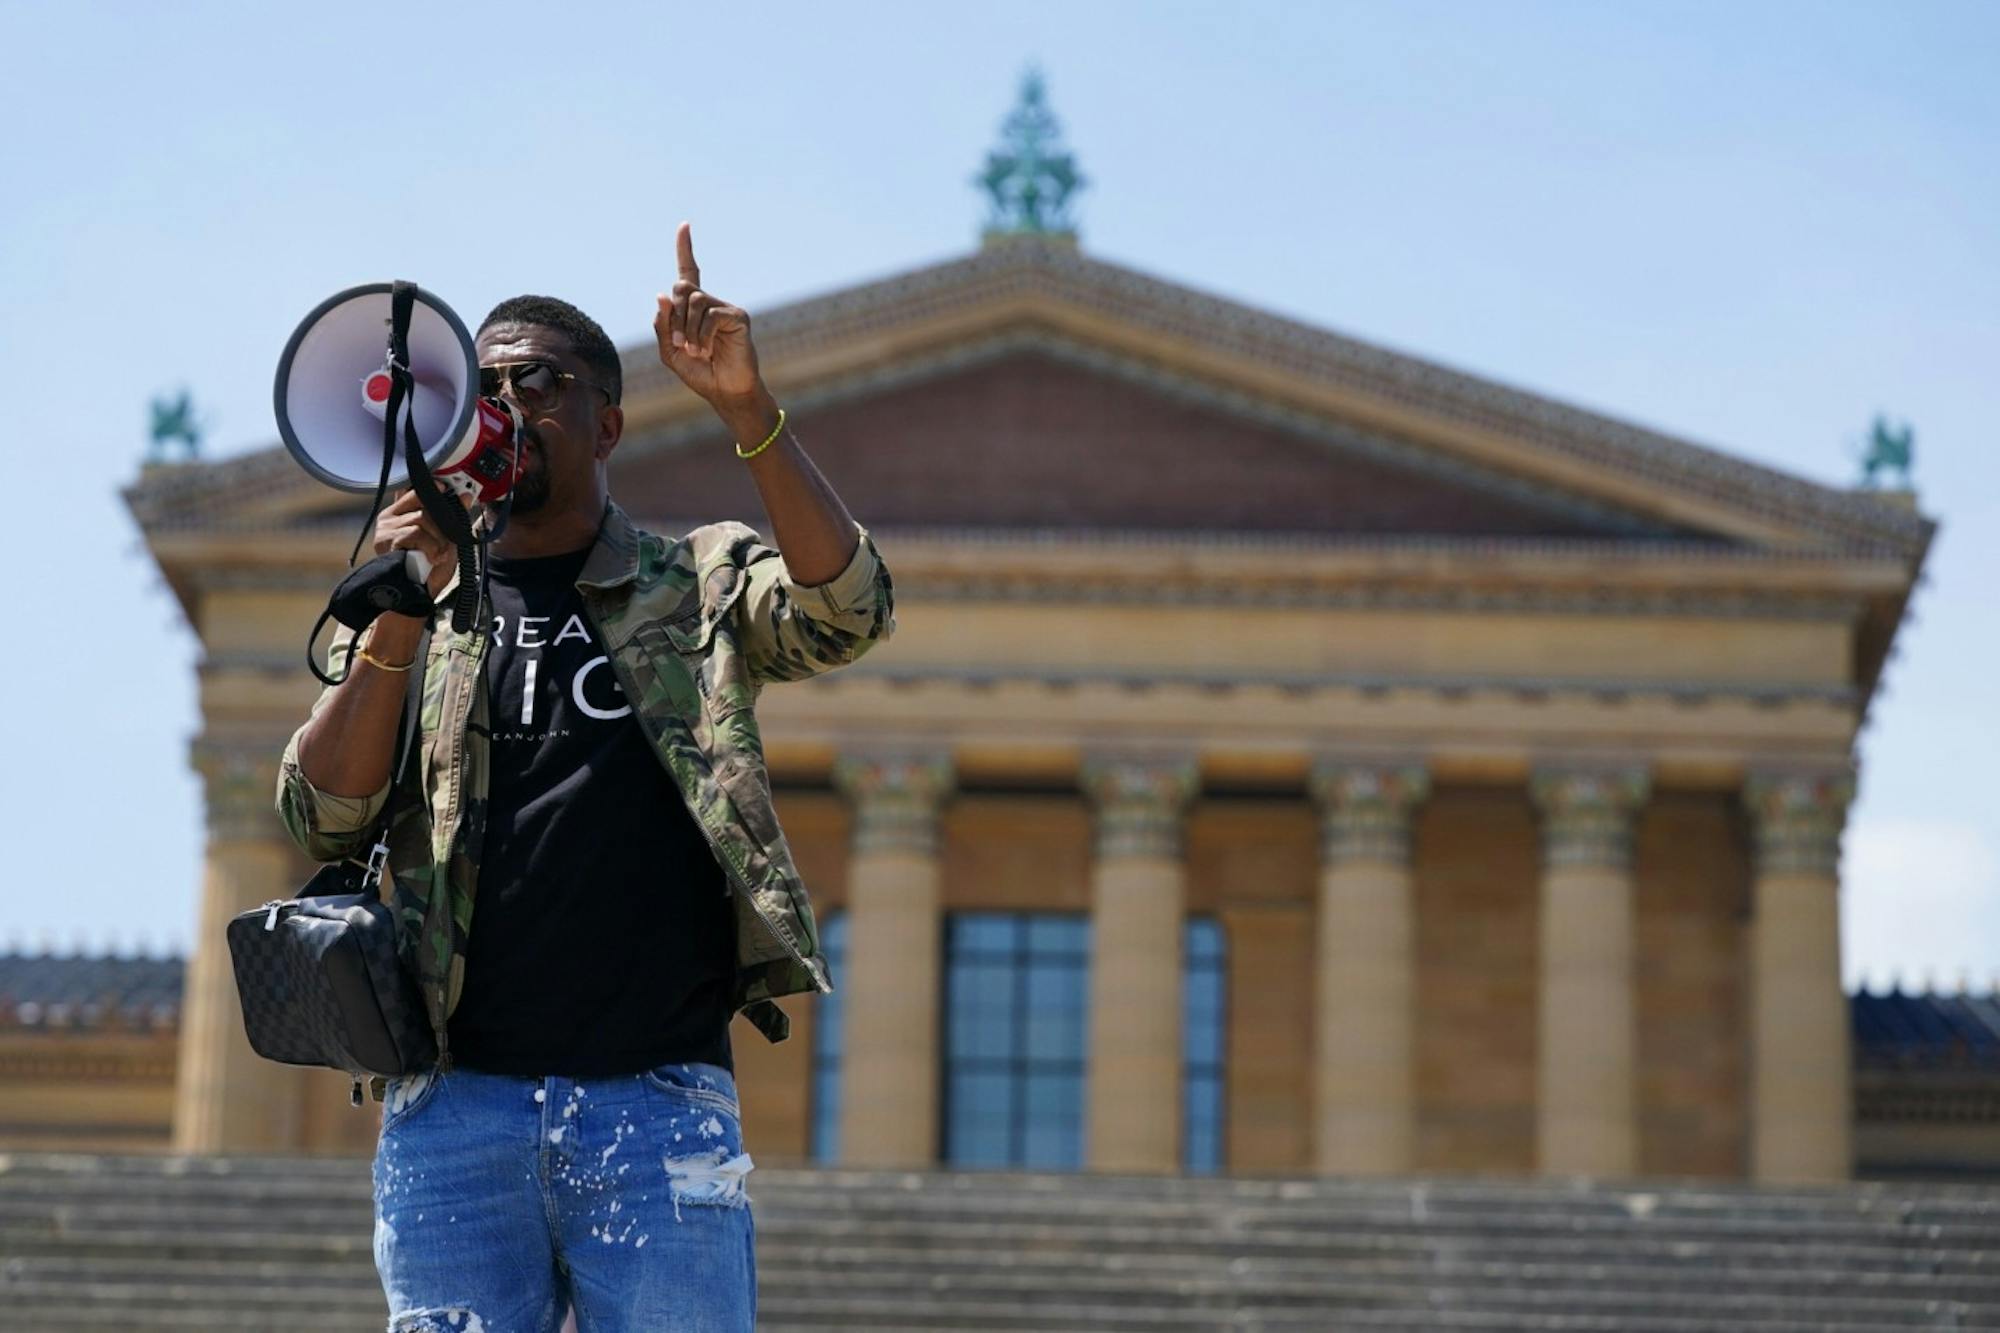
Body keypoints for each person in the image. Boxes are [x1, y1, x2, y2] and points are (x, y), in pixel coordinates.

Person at [274, 223, 895, 1333]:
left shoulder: (689, 582)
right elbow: (322, 811)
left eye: (537, 383)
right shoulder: (421, 610)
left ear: (606, 423)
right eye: (483, 387)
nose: (505, 406)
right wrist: (400, 609)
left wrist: (748, 410)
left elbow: (846, 610)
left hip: (653, 1105)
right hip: (455, 1114)